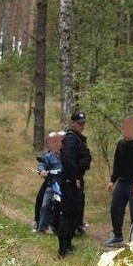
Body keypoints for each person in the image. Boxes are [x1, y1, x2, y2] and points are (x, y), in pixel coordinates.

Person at [104, 117, 133, 247]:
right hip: (122, 182)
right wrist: (112, 181)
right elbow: (116, 164)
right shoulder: (120, 144)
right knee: (115, 208)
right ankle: (117, 236)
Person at [57, 111, 91, 258]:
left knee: (76, 214)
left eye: (83, 123)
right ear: (73, 123)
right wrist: (75, 178)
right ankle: (63, 249)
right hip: (71, 181)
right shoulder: (71, 139)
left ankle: (68, 244)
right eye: (79, 123)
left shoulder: (78, 138)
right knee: (68, 214)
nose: (81, 126)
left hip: (76, 179)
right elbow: (69, 161)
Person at [37, 131, 64, 234]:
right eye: (57, 141)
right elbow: (42, 164)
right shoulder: (49, 156)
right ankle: (42, 228)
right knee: (45, 204)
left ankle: (73, 226)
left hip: (65, 186)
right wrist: (42, 170)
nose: (59, 144)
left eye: (61, 141)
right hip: (52, 185)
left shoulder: (67, 155)